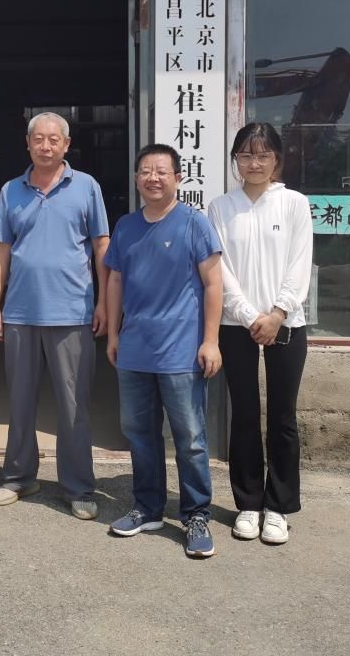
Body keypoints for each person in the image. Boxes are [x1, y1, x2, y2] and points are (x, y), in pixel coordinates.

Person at [0, 112, 110, 520]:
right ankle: (18, 476)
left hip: (72, 311)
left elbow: (101, 246)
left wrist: (104, 302)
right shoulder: (11, 190)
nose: (45, 146)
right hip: (20, 312)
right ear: (27, 144)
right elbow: (1, 250)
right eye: (38, 139)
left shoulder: (86, 186)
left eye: (53, 139)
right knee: (20, 400)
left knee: (73, 405)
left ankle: (78, 486)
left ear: (66, 144)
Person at [104, 144, 224, 558]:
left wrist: (211, 340)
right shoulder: (126, 226)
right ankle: (147, 507)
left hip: (181, 351)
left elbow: (214, 284)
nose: (152, 178)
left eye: (161, 171)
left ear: (178, 178)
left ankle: (196, 514)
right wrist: (113, 334)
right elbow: (115, 280)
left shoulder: (194, 223)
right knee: (139, 434)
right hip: (135, 348)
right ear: (137, 178)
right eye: (145, 171)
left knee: (190, 438)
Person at [207, 122, 313, 545]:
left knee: (283, 417)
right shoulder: (221, 207)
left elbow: (300, 262)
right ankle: (248, 504)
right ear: (235, 160)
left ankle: (279, 507)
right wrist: (250, 315)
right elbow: (219, 268)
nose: (254, 163)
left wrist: (278, 312)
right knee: (245, 414)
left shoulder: (294, 203)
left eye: (263, 155)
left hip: (287, 323)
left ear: (276, 160)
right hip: (236, 325)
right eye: (246, 155)